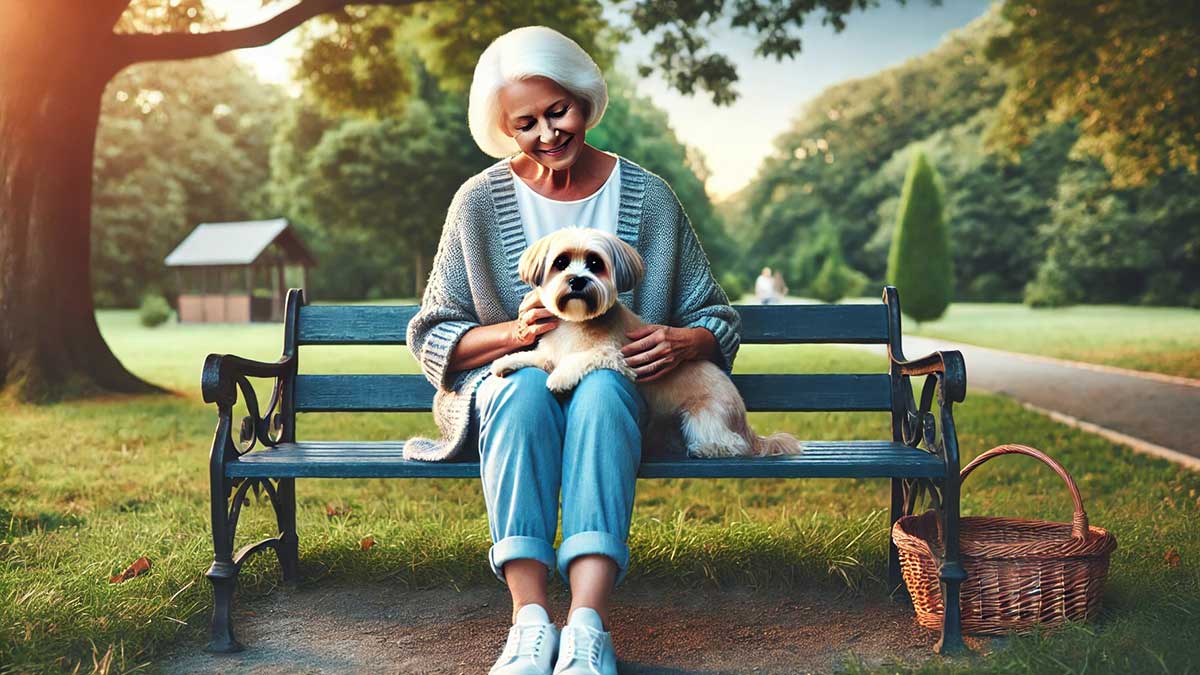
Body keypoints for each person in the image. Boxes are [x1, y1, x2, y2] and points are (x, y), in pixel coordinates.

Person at [405, 25, 741, 675]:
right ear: (506, 128)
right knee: (524, 388)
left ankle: (586, 624)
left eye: (557, 111)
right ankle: (530, 621)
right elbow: (433, 331)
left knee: (603, 387)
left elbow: (715, 316)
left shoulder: (648, 197)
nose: (547, 133)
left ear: (584, 99)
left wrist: (684, 340)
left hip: (619, 386)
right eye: (525, 122)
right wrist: (515, 333)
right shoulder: (478, 202)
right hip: (508, 385)